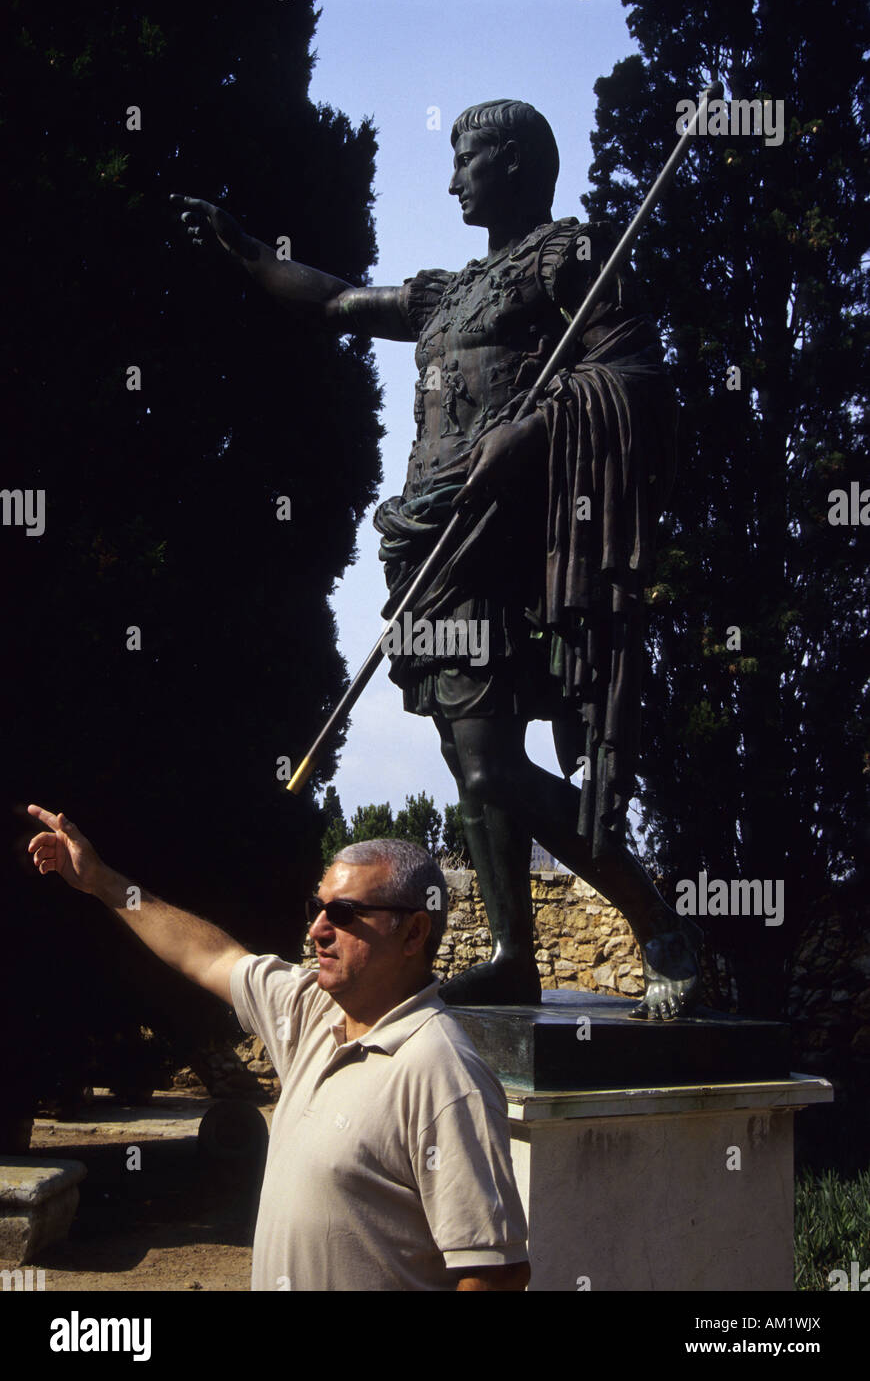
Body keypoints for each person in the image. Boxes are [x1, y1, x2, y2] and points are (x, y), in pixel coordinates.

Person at [170, 97, 702, 1020]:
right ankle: (512, 958)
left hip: (502, 542)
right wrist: (251, 253)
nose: (453, 181)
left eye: (469, 160)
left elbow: (638, 379)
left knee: (492, 766)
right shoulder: (450, 292)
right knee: (468, 760)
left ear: (516, 163)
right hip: (430, 540)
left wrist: (535, 428)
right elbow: (337, 300)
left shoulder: (569, 258)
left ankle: (660, 926)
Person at [26, 804, 530, 1292]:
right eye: (316, 909)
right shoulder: (310, 1010)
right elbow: (209, 956)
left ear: (414, 932)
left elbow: (496, 1273)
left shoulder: (442, 1071)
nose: (317, 930)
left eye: (343, 913)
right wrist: (102, 882)